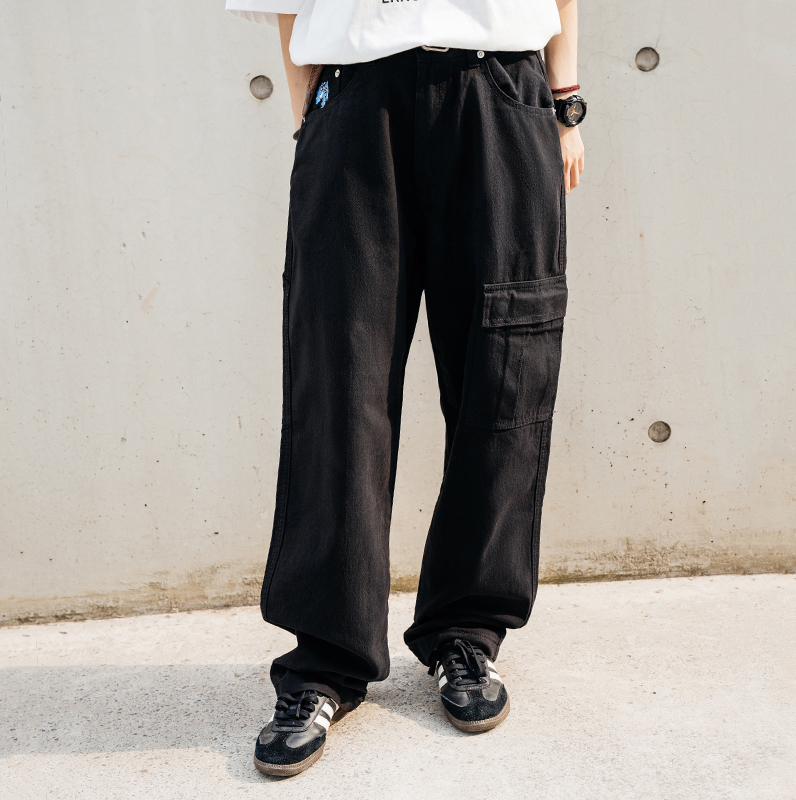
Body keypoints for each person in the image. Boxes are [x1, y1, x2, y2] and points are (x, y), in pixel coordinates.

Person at [226, 0, 586, 777]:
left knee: (504, 371)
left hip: (501, 97)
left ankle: (468, 630)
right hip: (357, 101)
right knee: (338, 382)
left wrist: (566, 104)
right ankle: (325, 660)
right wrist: (311, 117)